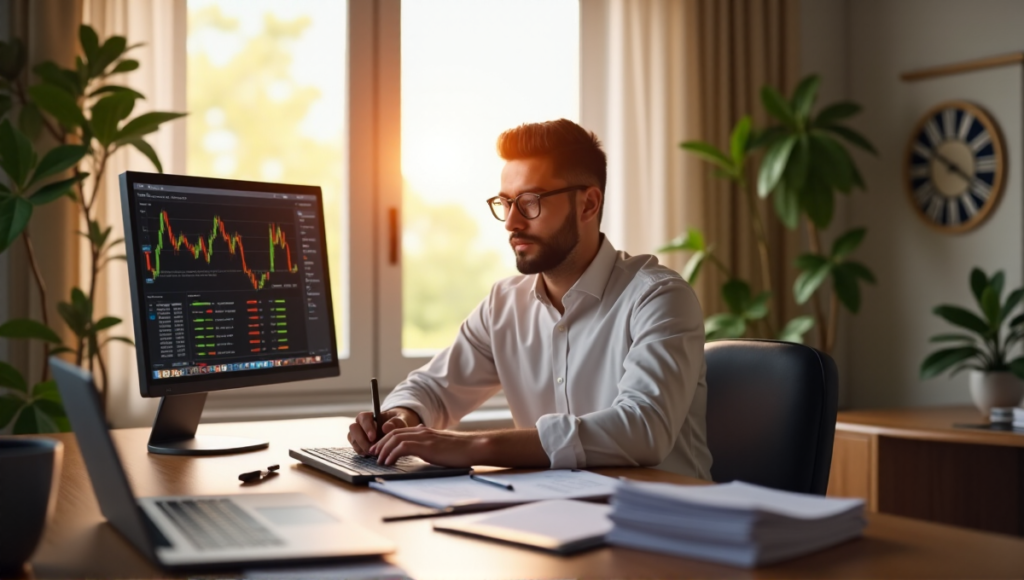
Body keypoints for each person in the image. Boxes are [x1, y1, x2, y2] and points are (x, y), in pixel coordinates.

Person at [348, 119, 712, 478]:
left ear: (588, 204)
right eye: (505, 203)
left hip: (665, 521)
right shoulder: (504, 305)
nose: (511, 222)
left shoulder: (659, 298)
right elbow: (435, 389)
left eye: (529, 202)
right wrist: (400, 417)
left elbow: (642, 430)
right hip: (556, 515)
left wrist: (476, 447)